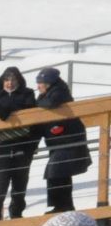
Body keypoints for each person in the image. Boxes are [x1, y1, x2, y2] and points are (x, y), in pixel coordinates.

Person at [0, 67, 39, 221]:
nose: (10, 83)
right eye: (7, 80)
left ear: (19, 81)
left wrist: (9, 107)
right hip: (3, 145)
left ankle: (16, 213)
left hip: (23, 144)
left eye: (13, 80)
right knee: (0, 182)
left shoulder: (27, 93)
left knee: (20, 181)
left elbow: (30, 109)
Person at [36, 67, 90, 213]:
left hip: (69, 140)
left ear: (48, 83)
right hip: (59, 141)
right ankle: (63, 205)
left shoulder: (59, 91)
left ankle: (62, 205)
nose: (38, 86)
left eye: (40, 83)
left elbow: (52, 102)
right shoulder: (45, 95)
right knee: (60, 172)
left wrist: (35, 106)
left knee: (56, 170)